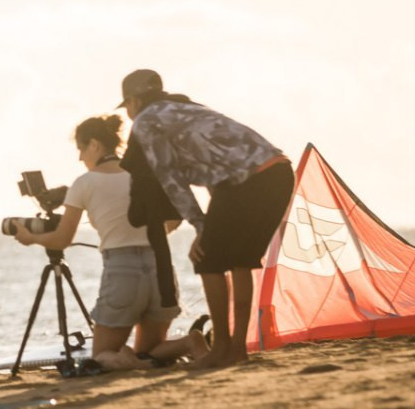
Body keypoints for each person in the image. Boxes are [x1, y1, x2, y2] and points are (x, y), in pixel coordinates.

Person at [117, 68, 293, 368]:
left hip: (247, 181)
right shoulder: (189, 109)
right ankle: (237, 348)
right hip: (279, 172)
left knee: (208, 259)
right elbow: (217, 172)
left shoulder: (146, 121)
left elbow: (170, 179)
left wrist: (200, 226)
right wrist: (208, 224)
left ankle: (221, 348)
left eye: (127, 107)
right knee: (241, 260)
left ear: (133, 101)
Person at [14, 115, 208, 371]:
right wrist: (144, 232)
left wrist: (31, 238)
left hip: (123, 269)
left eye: (81, 149)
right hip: (160, 266)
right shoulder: (144, 175)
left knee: (101, 355)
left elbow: (62, 239)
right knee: (149, 351)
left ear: (94, 145)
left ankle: (126, 360)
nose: (80, 157)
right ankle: (190, 342)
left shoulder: (84, 183)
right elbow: (174, 218)